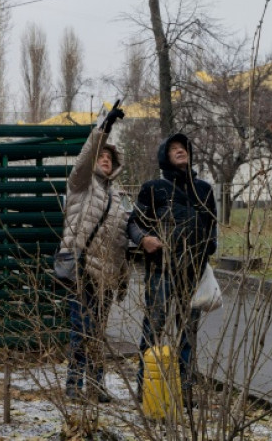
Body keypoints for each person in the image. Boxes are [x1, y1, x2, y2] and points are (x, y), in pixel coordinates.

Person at [127, 133, 217, 400]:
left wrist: (208, 247)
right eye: (174, 149)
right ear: (164, 155)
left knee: (188, 333)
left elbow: (212, 226)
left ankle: (186, 391)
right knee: (153, 327)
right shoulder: (153, 188)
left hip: (194, 272)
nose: (180, 151)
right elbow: (133, 223)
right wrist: (143, 239)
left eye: (184, 148)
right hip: (161, 271)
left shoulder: (204, 189)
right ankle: (146, 387)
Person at [57, 103, 130, 402]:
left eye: (109, 159)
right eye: (101, 157)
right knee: (81, 331)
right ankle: (74, 386)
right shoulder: (80, 186)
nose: (104, 161)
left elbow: (121, 241)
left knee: (98, 335)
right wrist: (104, 128)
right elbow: (84, 159)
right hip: (82, 270)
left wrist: (122, 279)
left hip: (106, 278)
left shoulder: (118, 199)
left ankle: (96, 387)